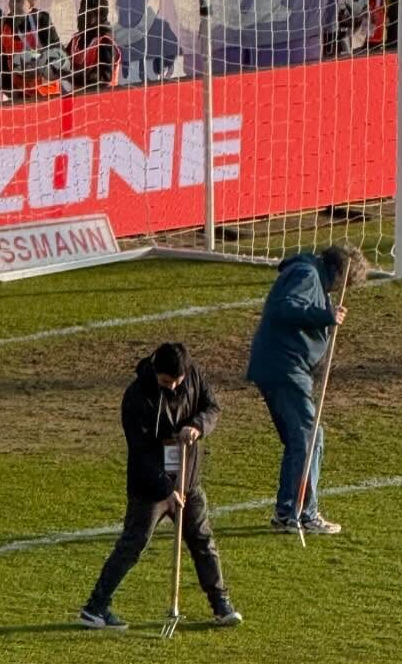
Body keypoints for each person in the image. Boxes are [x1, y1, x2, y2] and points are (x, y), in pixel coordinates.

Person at [80, 342, 241, 631]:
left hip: (187, 478)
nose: (173, 387)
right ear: (156, 371)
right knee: (133, 544)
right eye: (167, 382)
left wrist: (198, 426)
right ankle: (96, 607)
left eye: (178, 381)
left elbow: (211, 407)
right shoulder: (136, 397)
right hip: (151, 487)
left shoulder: (193, 375)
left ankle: (221, 604)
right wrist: (167, 490)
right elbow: (140, 452)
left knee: (203, 541)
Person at [246, 244, 368, 534]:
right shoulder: (306, 274)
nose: (343, 289)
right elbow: (285, 307)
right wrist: (325, 316)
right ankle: (301, 514)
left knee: (302, 439)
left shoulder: (312, 277)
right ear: (339, 274)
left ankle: (288, 510)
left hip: (285, 367)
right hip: (284, 368)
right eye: (346, 284)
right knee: (309, 437)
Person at [67, 0, 120, 93]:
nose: (81, 17)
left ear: (100, 17)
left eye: (86, 14)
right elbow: (64, 64)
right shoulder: (76, 40)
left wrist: (71, 75)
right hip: (77, 99)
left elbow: (104, 78)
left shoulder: (105, 42)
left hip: (101, 101)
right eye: (80, 12)